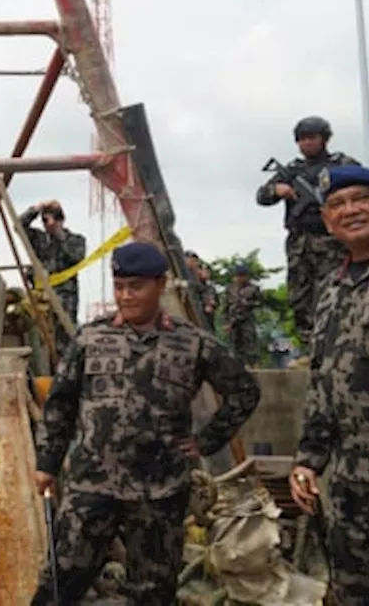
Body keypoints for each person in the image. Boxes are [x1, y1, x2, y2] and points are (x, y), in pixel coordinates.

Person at [31, 242, 261, 605]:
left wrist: (205, 441)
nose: (125, 295)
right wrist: (47, 462)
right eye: (119, 286)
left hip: (160, 491)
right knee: (60, 583)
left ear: (160, 284)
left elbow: (245, 391)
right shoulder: (90, 338)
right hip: (93, 485)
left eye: (136, 286)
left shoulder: (192, 343)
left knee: (153, 593)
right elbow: (61, 403)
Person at [289, 165, 369, 604]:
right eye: (337, 205)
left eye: (362, 199)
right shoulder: (331, 287)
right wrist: (309, 459)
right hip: (348, 491)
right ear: (327, 221)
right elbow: (325, 383)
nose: (350, 210)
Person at [255, 115, 359, 344]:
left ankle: (337, 343)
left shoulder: (341, 164)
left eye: (312, 137)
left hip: (332, 241)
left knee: (336, 291)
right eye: (301, 139)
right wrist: (276, 189)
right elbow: (261, 196)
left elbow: (364, 186)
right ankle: (309, 346)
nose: (307, 143)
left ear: (324, 139)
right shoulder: (291, 170)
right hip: (300, 242)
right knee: (300, 296)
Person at [21, 200, 87, 352]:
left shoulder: (75, 240)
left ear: (61, 219)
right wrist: (37, 209)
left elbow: (76, 256)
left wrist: (58, 233)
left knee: (66, 337)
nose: (48, 224)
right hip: (42, 296)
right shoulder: (41, 239)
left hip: (65, 296)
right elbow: (19, 225)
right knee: (41, 337)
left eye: (53, 219)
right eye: (44, 220)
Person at [223, 264, 263, 366]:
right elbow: (226, 306)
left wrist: (248, 304)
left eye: (242, 276)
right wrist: (226, 321)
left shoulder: (254, 288)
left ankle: (253, 364)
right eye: (238, 276)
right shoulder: (230, 289)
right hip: (233, 321)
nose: (239, 278)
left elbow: (260, 303)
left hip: (246, 319)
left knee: (249, 342)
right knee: (235, 344)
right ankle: (237, 366)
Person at [184, 250, 216, 332]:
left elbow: (208, 293)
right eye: (190, 260)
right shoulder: (182, 273)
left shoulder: (202, 280)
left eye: (195, 261)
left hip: (200, 312)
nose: (193, 263)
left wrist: (209, 303)